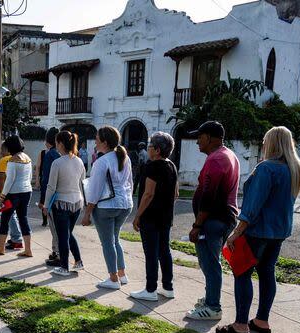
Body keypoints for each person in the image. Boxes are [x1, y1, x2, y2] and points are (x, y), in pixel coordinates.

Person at [215, 127, 300, 333]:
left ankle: (240, 325)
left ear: (272, 143)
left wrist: (236, 233)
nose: (263, 145)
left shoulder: (266, 168)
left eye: (265, 141)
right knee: (267, 273)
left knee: (242, 273)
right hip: (279, 231)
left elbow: (253, 206)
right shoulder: (295, 169)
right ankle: (261, 320)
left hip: (257, 230)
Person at [185, 121, 240, 320]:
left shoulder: (217, 159)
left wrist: (197, 225)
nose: (197, 141)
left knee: (210, 263)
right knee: (210, 262)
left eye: (200, 136)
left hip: (214, 220)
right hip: (221, 218)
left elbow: (208, 196)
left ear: (210, 137)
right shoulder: (227, 154)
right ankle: (210, 298)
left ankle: (213, 307)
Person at [81, 126, 133, 290]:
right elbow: (130, 182)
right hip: (125, 203)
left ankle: (113, 278)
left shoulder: (101, 162)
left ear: (104, 142)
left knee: (107, 242)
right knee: (115, 239)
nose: (95, 140)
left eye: (97, 138)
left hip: (107, 206)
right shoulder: (125, 158)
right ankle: (121, 274)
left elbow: (94, 190)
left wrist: (87, 213)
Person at [130, 132, 178, 301]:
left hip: (150, 217)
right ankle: (168, 287)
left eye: (150, 146)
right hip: (165, 216)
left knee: (151, 253)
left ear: (157, 150)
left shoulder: (152, 166)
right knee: (164, 251)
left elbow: (148, 194)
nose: (148, 149)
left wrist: (137, 216)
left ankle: (150, 289)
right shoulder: (171, 165)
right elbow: (176, 193)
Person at [44, 130, 86, 277]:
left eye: (56, 143)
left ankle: (64, 267)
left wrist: (45, 205)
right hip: (77, 203)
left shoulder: (57, 163)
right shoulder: (79, 161)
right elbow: (82, 182)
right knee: (68, 233)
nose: (56, 145)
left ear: (61, 143)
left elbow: (51, 186)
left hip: (61, 203)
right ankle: (78, 261)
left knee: (63, 236)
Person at [0, 135, 33, 257]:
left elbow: (9, 180)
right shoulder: (28, 158)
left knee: (5, 219)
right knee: (23, 219)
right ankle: (28, 249)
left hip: (13, 193)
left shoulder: (12, 160)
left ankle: (0, 247)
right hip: (27, 192)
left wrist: (2, 197)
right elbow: (29, 177)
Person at [0, 142, 25, 249]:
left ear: (7, 150)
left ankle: (16, 239)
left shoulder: (4, 160)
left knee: (8, 217)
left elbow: (1, 179)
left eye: (2, 151)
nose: (1, 153)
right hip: (20, 192)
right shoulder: (19, 158)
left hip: (7, 192)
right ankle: (15, 238)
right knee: (15, 215)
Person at [39, 128, 62, 265]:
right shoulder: (64, 155)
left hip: (53, 197)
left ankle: (57, 253)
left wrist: (43, 201)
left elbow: (46, 180)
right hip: (66, 196)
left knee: (54, 227)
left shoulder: (49, 155)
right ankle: (56, 251)